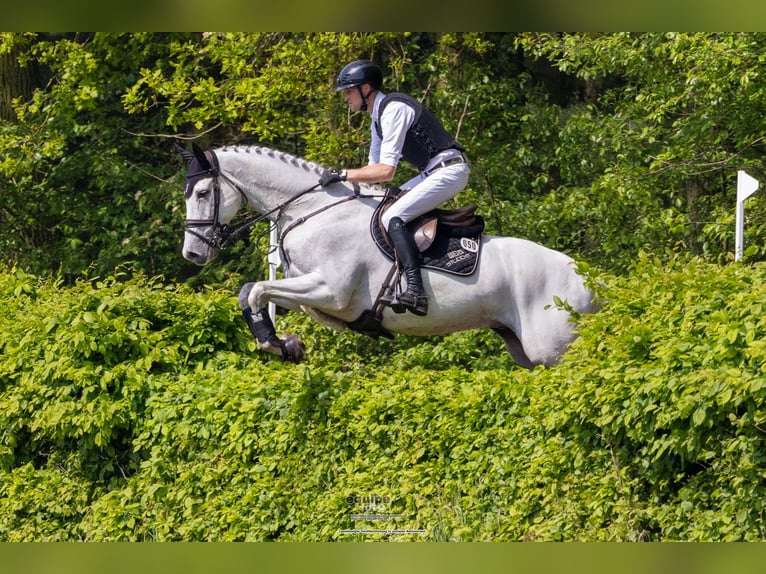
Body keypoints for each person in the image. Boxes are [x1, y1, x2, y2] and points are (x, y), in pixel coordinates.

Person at [319, 59, 470, 316]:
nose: (345, 98)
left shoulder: (394, 109)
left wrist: (342, 174)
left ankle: (416, 290)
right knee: (381, 206)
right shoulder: (376, 119)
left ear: (366, 88)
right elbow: (371, 173)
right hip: (431, 173)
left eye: (348, 91)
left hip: (450, 170)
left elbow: (386, 171)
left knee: (392, 216)